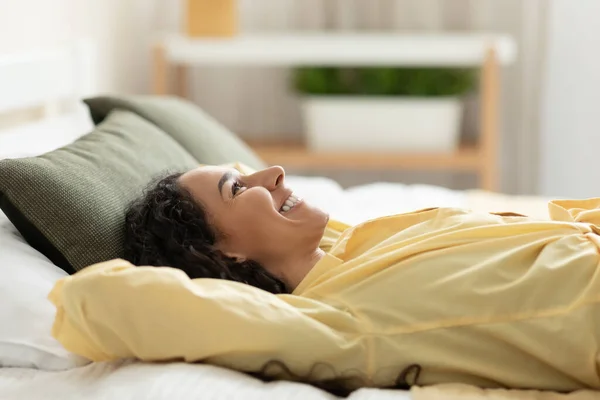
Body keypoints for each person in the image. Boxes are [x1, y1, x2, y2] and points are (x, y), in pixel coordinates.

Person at [55, 163, 600, 392]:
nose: (272, 174)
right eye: (239, 188)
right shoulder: (332, 322)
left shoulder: (355, 242)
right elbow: (99, 302)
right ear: (221, 257)